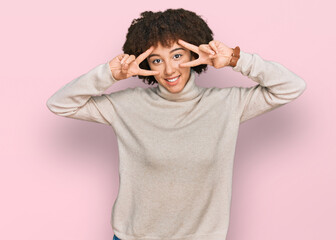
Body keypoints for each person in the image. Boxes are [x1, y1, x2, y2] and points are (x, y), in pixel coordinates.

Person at [46, 8, 306, 240]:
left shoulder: (227, 104)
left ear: (195, 53)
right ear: (146, 63)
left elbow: (292, 87)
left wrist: (235, 60)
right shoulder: (126, 106)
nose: (169, 70)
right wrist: (109, 73)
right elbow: (59, 103)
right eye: (157, 60)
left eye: (177, 55)